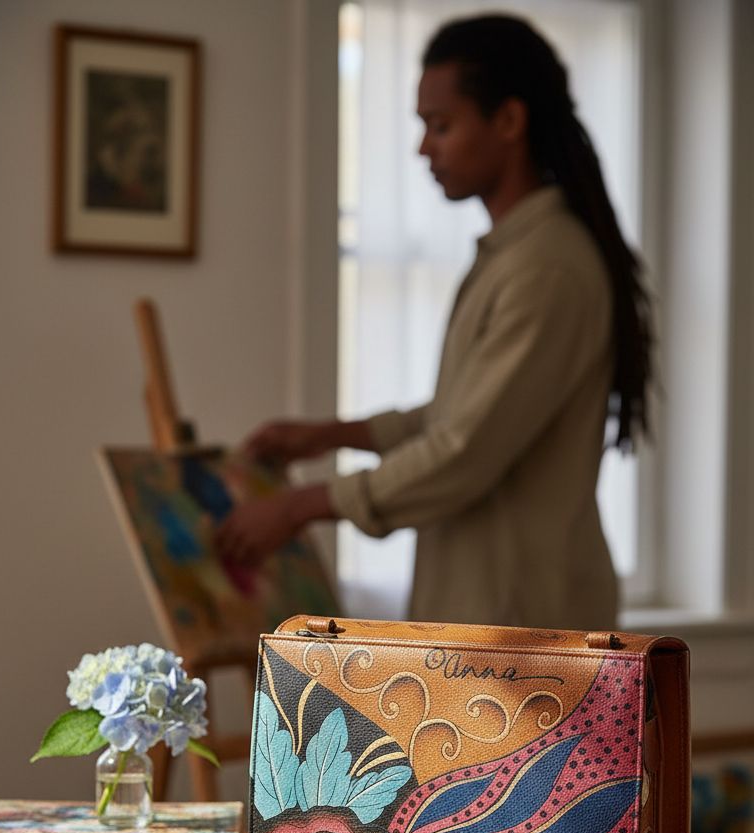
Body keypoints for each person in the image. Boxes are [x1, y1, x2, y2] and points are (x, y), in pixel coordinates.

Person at [215, 14, 653, 629]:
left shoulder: (546, 268)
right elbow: (461, 416)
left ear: (508, 121)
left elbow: (464, 450)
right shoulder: (517, 256)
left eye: (441, 126)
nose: (424, 148)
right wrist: (328, 435)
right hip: (492, 619)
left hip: (525, 631)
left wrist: (298, 507)